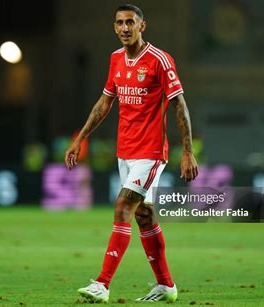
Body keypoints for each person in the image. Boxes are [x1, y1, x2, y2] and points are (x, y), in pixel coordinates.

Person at [64, 4, 198, 303]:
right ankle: (166, 285)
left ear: (142, 26)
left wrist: (187, 151)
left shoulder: (159, 60)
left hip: (150, 152)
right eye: (120, 23)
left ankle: (102, 283)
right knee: (145, 217)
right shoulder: (115, 59)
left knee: (122, 205)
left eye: (130, 23)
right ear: (114, 27)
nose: (125, 28)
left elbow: (179, 106)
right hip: (125, 151)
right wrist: (80, 139)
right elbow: (104, 103)